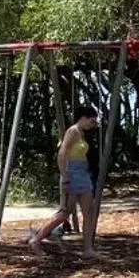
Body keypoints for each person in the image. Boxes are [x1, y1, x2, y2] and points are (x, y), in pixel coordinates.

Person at [30, 109, 101, 255]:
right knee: (64, 213)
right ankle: (36, 240)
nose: (92, 125)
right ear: (83, 117)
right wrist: (65, 176)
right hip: (72, 173)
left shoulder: (81, 133)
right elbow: (62, 154)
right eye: (91, 121)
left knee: (89, 212)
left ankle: (88, 249)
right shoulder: (72, 131)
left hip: (83, 173)